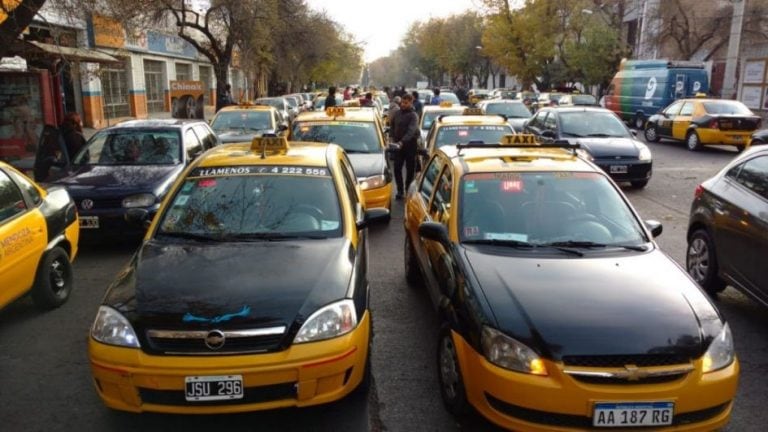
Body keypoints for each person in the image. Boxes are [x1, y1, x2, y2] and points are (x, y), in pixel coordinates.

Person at [388, 94, 419, 199]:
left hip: (410, 146)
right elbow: (392, 126)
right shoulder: (397, 114)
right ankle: (400, 190)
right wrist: (392, 137)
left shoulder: (413, 115)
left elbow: (411, 131)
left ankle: (407, 189)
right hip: (397, 146)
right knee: (397, 168)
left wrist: (402, 142)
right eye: (402, 102)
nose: (403, 105)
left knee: (410, 169)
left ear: (411, 102)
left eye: (406, 103)